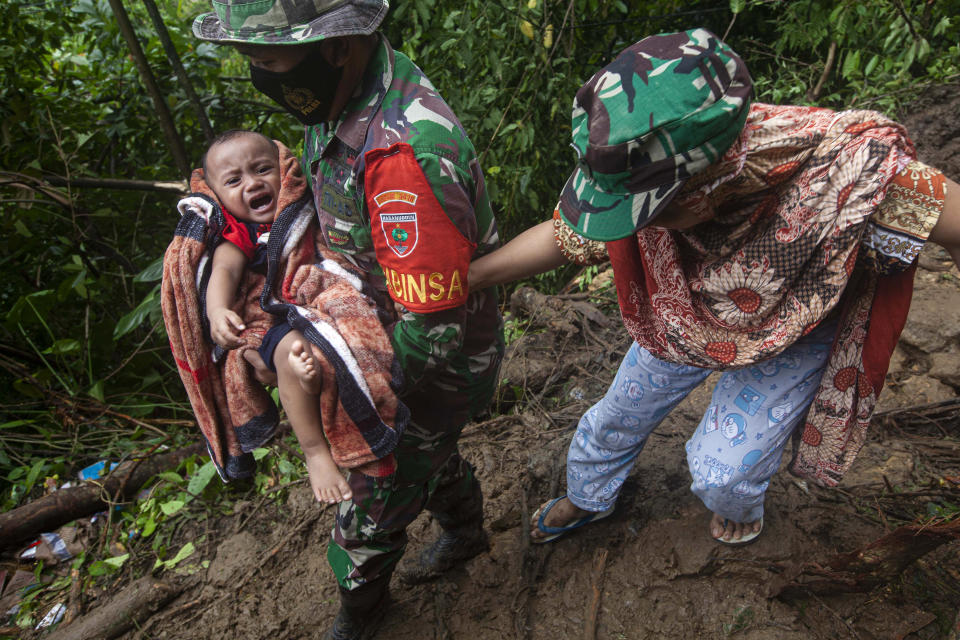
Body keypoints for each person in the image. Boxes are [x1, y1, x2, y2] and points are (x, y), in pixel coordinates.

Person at [469, 28, 960, 547]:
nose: (634, 228)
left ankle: (741, 506)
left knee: (722, 474)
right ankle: (587, 495)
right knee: (614, 416)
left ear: (707, 189)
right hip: (683, 310)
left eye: (650, 213)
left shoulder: (850, 172)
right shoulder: (639, 171)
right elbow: (567, 236)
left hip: (797, 325)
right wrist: (472, 278)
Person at [192, 3, 503, 638]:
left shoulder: (400, 156)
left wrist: (343, 389)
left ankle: (363, 612)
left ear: (336, 46)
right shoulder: (341, 96)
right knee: (428, 457)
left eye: (270, 63)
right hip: (374, 324)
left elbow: (433, 330)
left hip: (423, 363)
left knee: (365, 510)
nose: (261, 77)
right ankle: (466, 532)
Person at [202, 129, 355, 506]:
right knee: (291, 351)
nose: (252, 183)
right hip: (273, 321)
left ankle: (313, 374)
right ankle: (316, 452)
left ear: (283, 171)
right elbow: (223, 272)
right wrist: (217, 311)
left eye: (262, 169)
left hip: (314, 305)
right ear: (218, 197)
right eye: (234, 180)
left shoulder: (303, 208)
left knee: (335, 337)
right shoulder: (238, 233)